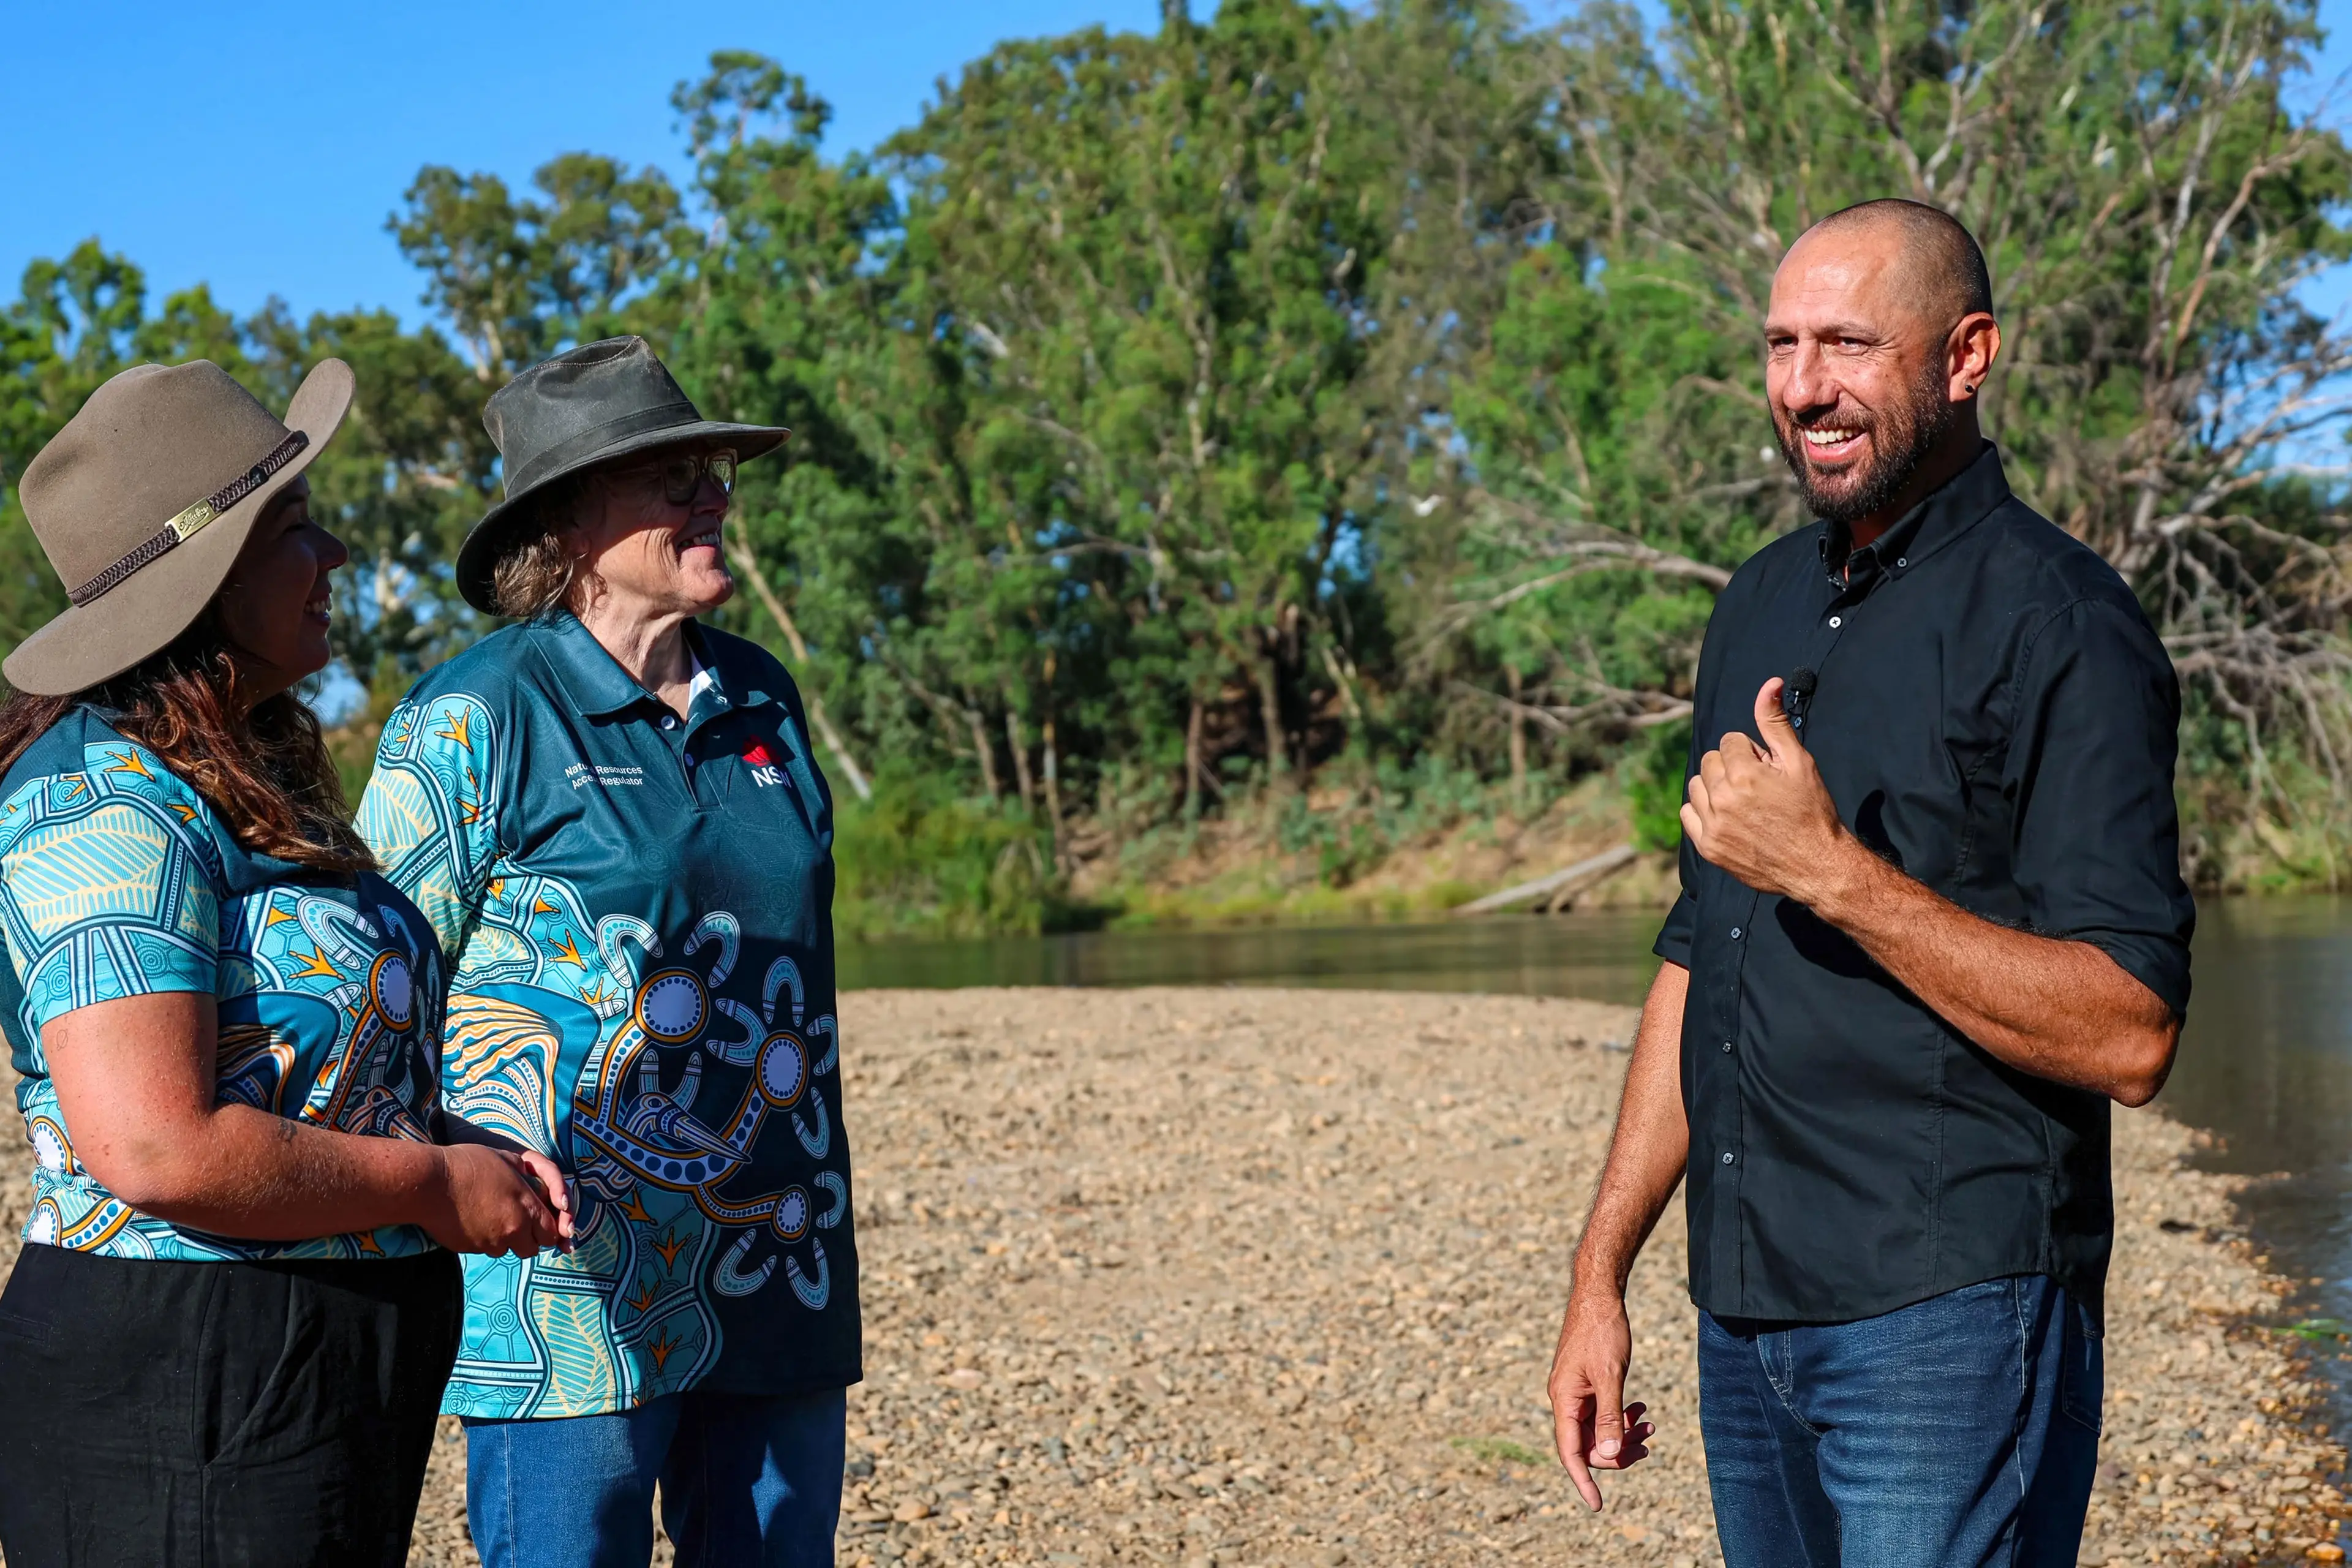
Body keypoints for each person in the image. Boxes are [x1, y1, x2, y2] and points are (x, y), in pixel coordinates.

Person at [1545, 199, 2195, 1567]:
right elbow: (1696, 953)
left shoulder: (2064, 624)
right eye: (1782, 344)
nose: (1804, 386)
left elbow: (2130, 1028)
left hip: (1945, 1316)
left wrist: (1835, 875)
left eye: (1849, 343)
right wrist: (1599, 1274)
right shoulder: (1758, 601)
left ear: (1967, 355)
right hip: (1743, 1322)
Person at [0, 358, 571, 1566]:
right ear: (203, 580)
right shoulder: (107, 810)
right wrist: (422, 1182)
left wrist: (443, 1134)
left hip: (298, 1364)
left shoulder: (242, 779)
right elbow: (157, 1146)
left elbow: (298, 1056)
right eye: (297, 530)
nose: (340, 557)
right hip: (187, 1373)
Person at [358, 335, 856, 1568]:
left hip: (775, 1252)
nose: (713, 498)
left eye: (714, 472)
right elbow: (370, 988)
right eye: (671, 475)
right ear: (570, 523)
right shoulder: (477, 714)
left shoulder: (763, 697)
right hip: (564, 1287)